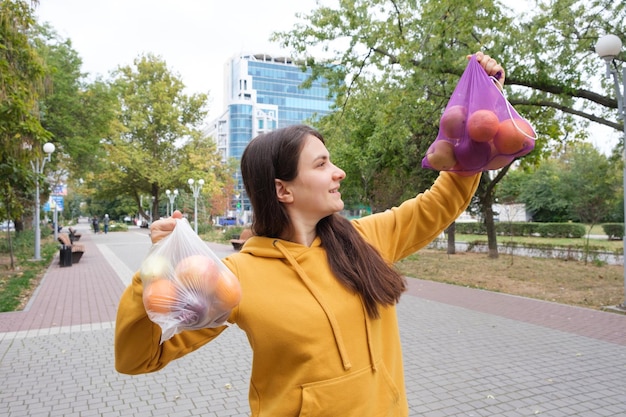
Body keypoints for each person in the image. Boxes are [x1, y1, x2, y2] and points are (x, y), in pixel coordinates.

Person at [115, 52, 505, 416]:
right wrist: (155, 269)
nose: (339, 173)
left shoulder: (364, 239)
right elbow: (138, 358)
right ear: (284, 189)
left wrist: (480, 109)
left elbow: (439, 202)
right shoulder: (234, 278)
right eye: (322, 164)